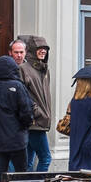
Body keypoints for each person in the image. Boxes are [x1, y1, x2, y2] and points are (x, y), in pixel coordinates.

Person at [18, 35, 53, 172]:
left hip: (40, 120)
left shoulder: (44, 70)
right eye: (40, 48)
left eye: (45, 48)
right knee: (45, 158)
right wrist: (36, 111)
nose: (43, 51)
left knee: (28, 161)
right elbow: (22, 95)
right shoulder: (23, 68)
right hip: (34, 122)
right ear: (32, 50)